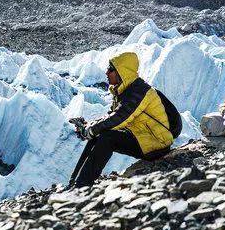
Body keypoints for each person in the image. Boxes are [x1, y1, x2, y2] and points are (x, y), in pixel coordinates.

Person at [69, 51, 174, 188]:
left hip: (156, 143)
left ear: (122, 71)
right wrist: (88, 127)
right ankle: (76, 180)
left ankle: (82, 185)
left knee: (107, 137)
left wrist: (89, 130)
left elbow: (119, 118)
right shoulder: (125, 90)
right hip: (143, 138)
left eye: (110, 69)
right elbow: (110, 118)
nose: (107, 73)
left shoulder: (139, 92)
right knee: (101, 134)